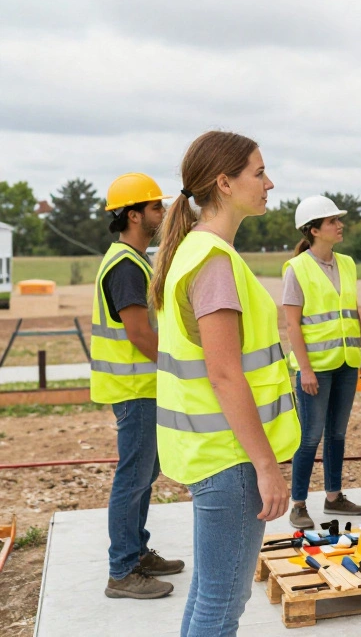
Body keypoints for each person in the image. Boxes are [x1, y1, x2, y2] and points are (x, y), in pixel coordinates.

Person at [150, 131, 301, 637]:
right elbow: (223, 373)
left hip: (212, 453)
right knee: (220, 607)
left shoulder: (194, 252)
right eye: (258, 173)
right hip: (231, 460)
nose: (269, 183)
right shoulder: (214, 263)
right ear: (224, 182)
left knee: (207, 597)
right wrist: (266, 466)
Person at [93, 173, 185, 600]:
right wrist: (176, 370)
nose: (162, 214)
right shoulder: (127, 266)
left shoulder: (135, 259)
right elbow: (139, 334)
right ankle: (122, 571)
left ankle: (137, 552)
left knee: (144, 475)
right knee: (133, 478)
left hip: (142, 389)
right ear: (133, 215)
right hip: (137, 391)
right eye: (155, 208)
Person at [282, 195, 361, 529]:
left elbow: (353, 313)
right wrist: (305, 369)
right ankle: (299, 504)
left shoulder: (346, 264)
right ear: (314, 230)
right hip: (315, 369)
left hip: (347, 362)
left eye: (338, 220)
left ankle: (334, 498)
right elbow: (292, 325)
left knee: (337, 434)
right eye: (333, 221)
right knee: (309, 437)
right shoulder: (297, 269)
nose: (340, 225)